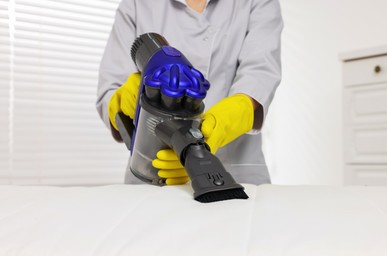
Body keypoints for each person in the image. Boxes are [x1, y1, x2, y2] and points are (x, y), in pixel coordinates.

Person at [96, 0, 283, 185]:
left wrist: (230, 117)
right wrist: (122, 102)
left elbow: (260, 73)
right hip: (150, 175)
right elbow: (110, 87)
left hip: (236, 174)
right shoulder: (137, 4)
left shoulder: (257, 2)